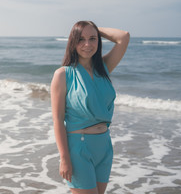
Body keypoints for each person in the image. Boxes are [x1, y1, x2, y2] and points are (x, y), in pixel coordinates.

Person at [50, 21, 130, 194]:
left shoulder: (104, 68)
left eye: (92, 39)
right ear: (73, 42)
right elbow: (57, 120)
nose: (87, 44)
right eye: (81, 39)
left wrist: (94, 28)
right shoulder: (63, 75)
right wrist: (64, 158)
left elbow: (123, 37)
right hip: (79, 148)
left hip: (104, 147)